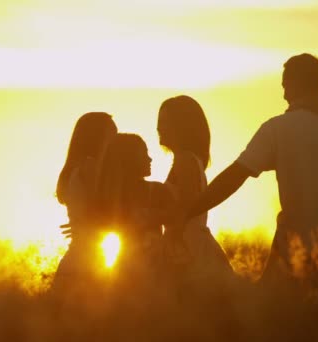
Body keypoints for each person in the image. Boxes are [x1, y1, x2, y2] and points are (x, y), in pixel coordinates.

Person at [185, 54, 318, 294]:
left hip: (302, 260)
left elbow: (235, 176)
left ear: (295, 85)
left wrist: (191, 210)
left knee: (281, 324)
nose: (284, 94)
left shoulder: (277, 128)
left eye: (285, 86)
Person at [157, 95, 233, 291]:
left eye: (164, 121)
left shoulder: (185, 160)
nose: (159, 127)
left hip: (187, 247)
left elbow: (185, 207)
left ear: (181, 126)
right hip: (190, 243)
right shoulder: (189, 160)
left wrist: (148, 218)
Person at [92, 133, 173, 283]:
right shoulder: (157, 191)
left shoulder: (108, 197)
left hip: (126, 269)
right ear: (129, 159)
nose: (150, 159)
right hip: (149, 271)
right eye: (144, 153)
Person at [52, 112, 118, 293]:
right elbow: (104, 211)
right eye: (112, 136)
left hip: (80, 257)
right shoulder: (90, 166)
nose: (116, 143)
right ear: (97, 139)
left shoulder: (79, 167)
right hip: (86, 263)